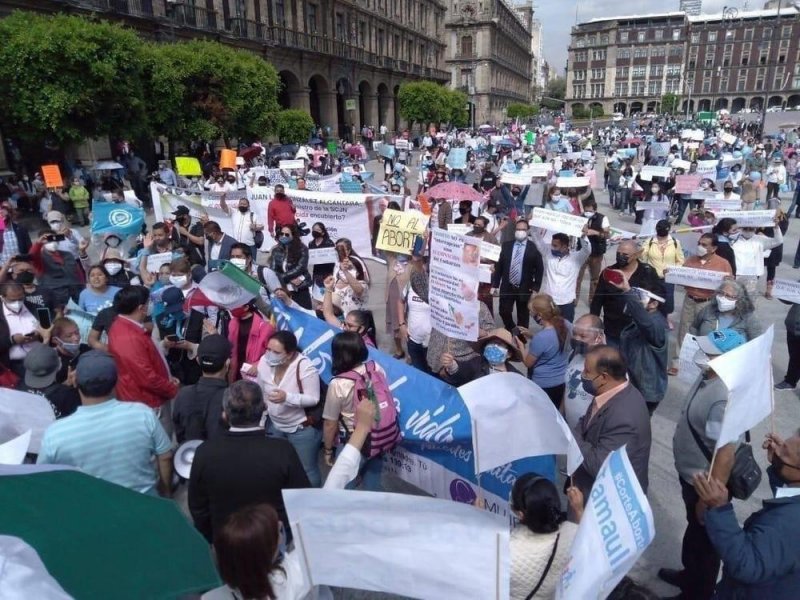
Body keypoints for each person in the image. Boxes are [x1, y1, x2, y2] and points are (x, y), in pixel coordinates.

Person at [202, 398, 382, 600]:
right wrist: (362, 429)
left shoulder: (212, 597)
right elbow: (330, 492)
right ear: (269, 552)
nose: (280, 523)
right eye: (276, 530)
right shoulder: (296, 574)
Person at [660, 328, 747, 599]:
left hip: (705, 486)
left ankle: (698, 592)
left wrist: (707, 498)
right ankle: (690, 575)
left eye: (711, 352)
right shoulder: (708, 375)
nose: (704, 354)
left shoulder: (723, 396)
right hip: (692, 479)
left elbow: (724, 453)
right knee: (694, 534)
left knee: (706, 545)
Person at [188, 380, 310, 543]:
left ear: (224, 414)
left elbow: (198, 507)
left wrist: (213, 537)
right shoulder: (282, 451)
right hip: (271, 540)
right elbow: (302, 500)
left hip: (225, 540)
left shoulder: (205, 452)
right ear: (264, 409)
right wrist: (284, 534)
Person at [37, 350, 174, 496]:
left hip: (91, 512)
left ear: (75, 381)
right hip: (145, 505)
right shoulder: (143, 414)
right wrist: (165, 492)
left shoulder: (56, 433)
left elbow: (42, 478)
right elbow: (165, 456)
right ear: (116, 381)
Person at [692, 431, 800, 597]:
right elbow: (791, 496)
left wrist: (720, 509)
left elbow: (747, 564)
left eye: (784, 455)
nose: (780, 447)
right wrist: (779, 468)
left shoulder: (788, 521)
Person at [571, 346, 651, 502]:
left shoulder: (624, 417)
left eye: (587, 372)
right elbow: (584, 422)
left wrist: (571, 437)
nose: (582, 375)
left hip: (608, 502)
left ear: (603, 378)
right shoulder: (609, 392)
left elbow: (598, 465)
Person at [321, 331, 387, 491]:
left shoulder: (338, 383)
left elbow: (331, 423)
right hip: (378, 436)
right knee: (373, 487)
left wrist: (328, 450)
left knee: (345, 489)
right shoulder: (375, 367)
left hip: (351, 440)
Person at [257, 330, 323, 487]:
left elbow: (313, 398)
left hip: (301, 428)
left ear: (290, 354)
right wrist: (261, 420)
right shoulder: (264, 363)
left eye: (276, 352)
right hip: (274, 425)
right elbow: (261, 393)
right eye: (268, 349)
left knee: (307, 469)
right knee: (277, 466)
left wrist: (287, 398)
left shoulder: (305, 367)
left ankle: (312, 502)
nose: (270, 354)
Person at [509, 474, 583, 600]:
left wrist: (479, 517)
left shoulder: (508, 549)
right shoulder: (572, 534)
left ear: (521, 514)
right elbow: (589, 545)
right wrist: (579, 510)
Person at [669, 233, 733, 376]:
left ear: (714, 248)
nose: (700, 247)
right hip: (690, 299)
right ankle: (677, 362)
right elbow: (681, 279)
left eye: (704, 245)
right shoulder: (691, 260)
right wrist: (672, 274)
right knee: (684, 330)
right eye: (699, 243)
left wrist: (726, 282)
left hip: (709, 302)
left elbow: (730, 285)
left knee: (706, 333)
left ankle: (705, 363)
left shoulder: (723, 263)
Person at [107, 285, 179, 410]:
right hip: (148, 402)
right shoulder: (129, 337)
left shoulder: (125, 327)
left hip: (145, 397)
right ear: (142, 308)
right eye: (149, 302)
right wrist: (171, 388)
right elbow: (146, 377)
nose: (151, 305)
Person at [605, 274, 668, 414]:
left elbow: (644, 321)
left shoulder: (656, 325)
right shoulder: (642, 320)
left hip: (646, 391)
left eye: (641, 296)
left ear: (654, 303)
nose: (636, 299)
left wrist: (628, 291)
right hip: (633, 384)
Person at [590, 240, 663, 347]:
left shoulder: (648, 272)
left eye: (625, 255)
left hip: (637, 332)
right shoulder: (609, 273)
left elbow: (659, 296)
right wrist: (594, 326)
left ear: (637, 255)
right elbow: (597, 302)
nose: (620, 257)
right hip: (612, 331)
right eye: (618, 254)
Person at [172, 334, 230, 444]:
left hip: (189, 457)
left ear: (198, 360)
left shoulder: (183, 395)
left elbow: (179, 433)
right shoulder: (233, 398)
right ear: (227, 363)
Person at [517, 294, 572, 409]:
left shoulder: (541, 338)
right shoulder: (566, 324)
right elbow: (553, 342)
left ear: (540, 315)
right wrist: (532, 335)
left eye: (532, 313)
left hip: (543, 385)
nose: (531, 315)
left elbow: (528, 362)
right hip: (562, 381)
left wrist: (520, 346)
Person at [531, 227, 591, 323]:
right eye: (552, 245)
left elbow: (587, 250)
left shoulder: (576, 258)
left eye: (555, 246)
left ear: (564, 247)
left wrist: (583, 236)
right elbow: (537, 240)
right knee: (548, 328)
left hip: (566, 303)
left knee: (566, 331)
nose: (552, 248)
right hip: (549, 301)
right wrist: (533, 223)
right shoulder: (548, 253)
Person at [491, 220, 543, 331]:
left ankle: (521, 340)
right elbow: (499, 266)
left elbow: (539, 269)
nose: (520, 232)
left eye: (523, 230)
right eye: (518, 229)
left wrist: (535, 288)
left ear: (527, 231)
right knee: (504, 311)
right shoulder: (506, 246)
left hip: (524, 286)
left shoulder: (533, 248)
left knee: (523, 316)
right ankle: (512, 330)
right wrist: (495, 284)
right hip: (507, 286)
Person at [15, 343, 80, 419]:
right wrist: (74, 389)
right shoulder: (67, 395)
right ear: (58, 365)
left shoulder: (19, 388)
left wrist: (64, 386)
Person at [564, 314, 606, 428]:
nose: (577, 339)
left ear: (599, 337)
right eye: (575, 334)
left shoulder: (609, 366)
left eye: (583, 336)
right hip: (569, 426)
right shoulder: (574, 355)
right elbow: (567, 388)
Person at [691, 279, 763, 341]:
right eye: (721, 293)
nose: (722, 298)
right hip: (704, 354)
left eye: (728, 296)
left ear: (739, 300)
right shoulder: (708, 309)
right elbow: (694, 327)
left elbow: (757, 343)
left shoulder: (748, 318)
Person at [398, 244, 431, 373]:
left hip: (433, 343)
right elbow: (400, 301)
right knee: (419, 373)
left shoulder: (438, 287)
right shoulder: (410, 283)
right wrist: (402, 324)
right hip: (413, 338)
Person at [641, 219, 684, 318]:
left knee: (667, 300)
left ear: (668, 230)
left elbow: (680, 260)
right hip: (652, 277)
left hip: (668, 278)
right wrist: (640, 252)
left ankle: (666, 318)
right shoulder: (650, 241)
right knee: (651, 299)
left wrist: (673, 270)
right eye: (659, 228)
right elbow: (642, 257)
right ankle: (650, 318)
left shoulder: (675, 242)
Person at [2, 282, 44, 376]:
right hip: (14, 365)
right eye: (12, 300)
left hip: (41, 359)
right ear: (3, 298)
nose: (17, 303)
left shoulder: (38, 307)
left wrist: (40, 334)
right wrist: (12, 340)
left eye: (20, 299)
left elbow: (50, 330)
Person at [228, 301, 274, 383]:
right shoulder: (232, 323)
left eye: (235, 305)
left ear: (246, 307)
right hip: (235, 371)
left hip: (252, 372)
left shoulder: (265, 328)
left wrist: (259, 365)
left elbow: (272, 353)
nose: (232, 308)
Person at [269, 223, 312, 309]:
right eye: (282, 234)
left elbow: (300, 268)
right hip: (284, 288)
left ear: (293, 236)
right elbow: (273, 270)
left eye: (287, 234)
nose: (283, 236)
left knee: (303, 314)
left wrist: (283, 277)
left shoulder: (302, 249)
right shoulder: (276, 250)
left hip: (300, 286)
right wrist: (286, 279)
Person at [576, 197, 610, 305]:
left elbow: (607, 234)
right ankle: (574, 299)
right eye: (586, 210)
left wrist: (594, 232)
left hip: (596, 253)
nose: (587, 213)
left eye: (590, 211)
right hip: (582, 252)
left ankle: (592, 300)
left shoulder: (602, 218)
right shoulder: (580, 217)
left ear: (595, 210)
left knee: (595, 279)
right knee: (577, 277)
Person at [330, 238, 370, 315]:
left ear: (348, 251)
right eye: (337, 249)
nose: (339, 252)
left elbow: (359, 289)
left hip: (355, 314)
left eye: (341, 249)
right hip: (339, 314)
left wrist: (347, 271)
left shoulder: (355, 262)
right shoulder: (337, 264)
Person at [48, 316, 89, 384]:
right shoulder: (54, 363)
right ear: (56, 340)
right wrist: (67, 384)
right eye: (69, 336)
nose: (76, 338)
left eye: (77, 333)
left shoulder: (87, 350)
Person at [307, 221, 335, 298]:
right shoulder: (311, 243)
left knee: (326, 296)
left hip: (327, 273)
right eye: (313, 229)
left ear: (323, 232)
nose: (315, 231)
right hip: (316, 273)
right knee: (316, 295)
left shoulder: (329, 243)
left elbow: (333, 259)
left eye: (317, 230)